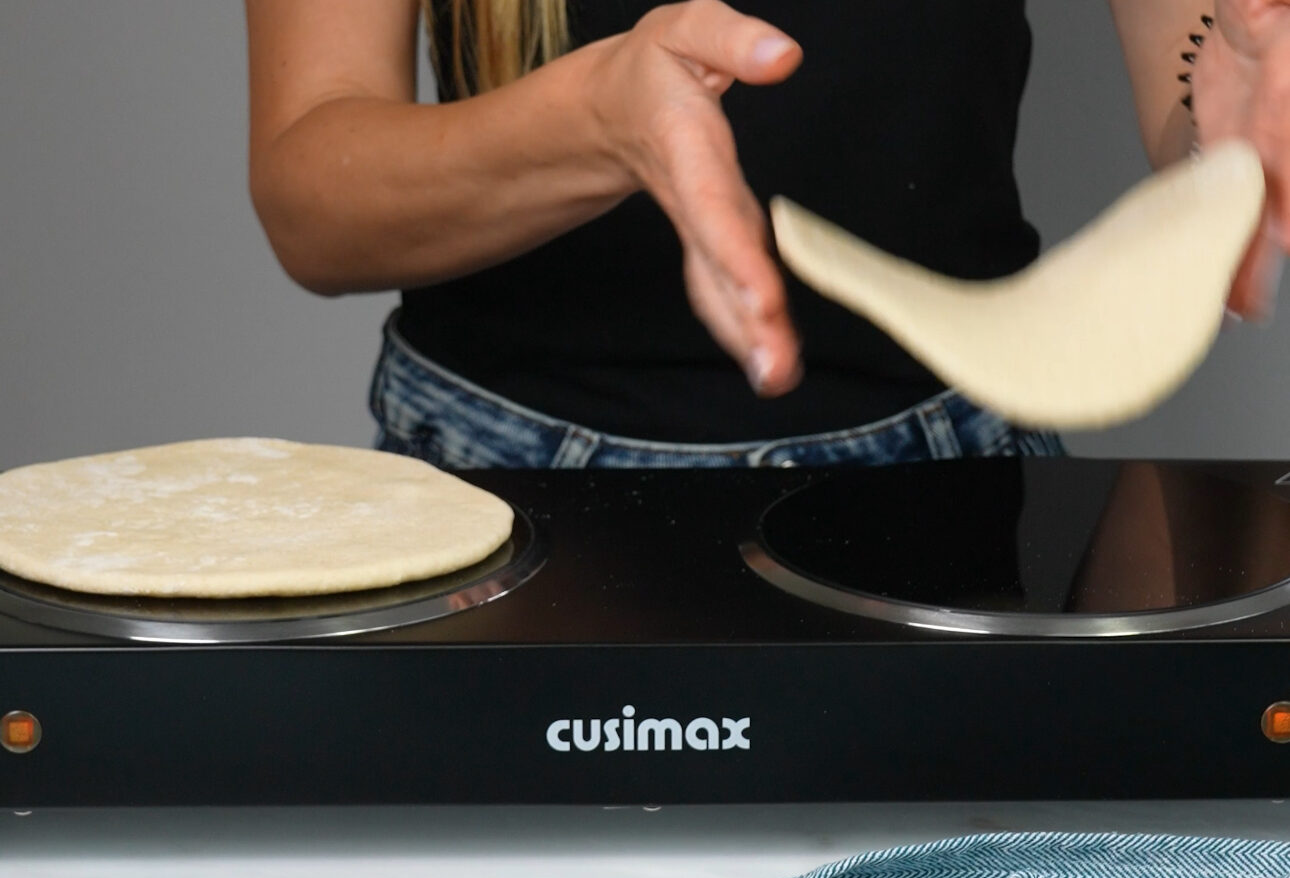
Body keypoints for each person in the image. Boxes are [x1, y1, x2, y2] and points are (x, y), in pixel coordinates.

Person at [244, 1, 1290, 470]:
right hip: (503, 482)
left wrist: (1239, 107)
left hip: (959, 468)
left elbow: (1195, 76)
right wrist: (599, 122)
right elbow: (314, 199)